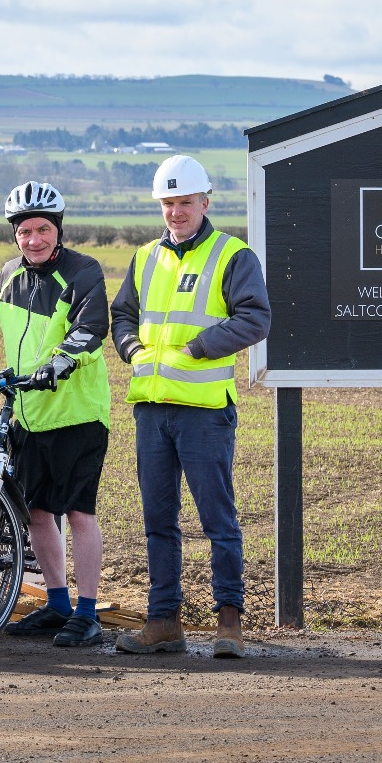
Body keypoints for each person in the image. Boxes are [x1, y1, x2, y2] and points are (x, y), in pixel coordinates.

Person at [111, 154, 271, 659]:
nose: (176, 212)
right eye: (168, 204)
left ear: (205, 202)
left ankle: (230, 622)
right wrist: (131, 349)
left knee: (217, 520)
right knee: (158, 521)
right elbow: (122, 316)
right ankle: (164, 622)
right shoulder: (144, 258)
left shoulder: (232, 255)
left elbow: (255, 318)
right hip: (153, 410)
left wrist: (201, 347)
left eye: (184, 202)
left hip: (204, 411)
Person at [0, 181, 113, 649]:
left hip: (77, 413)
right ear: (15, 235)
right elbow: (17, 344)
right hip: (30, 414)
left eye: (43, 229)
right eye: (25, 231)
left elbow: (90, 329)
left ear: (58, 230)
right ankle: (58, 603)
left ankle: (87, 613)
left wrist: (57, 366)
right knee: (38, 514)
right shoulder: (6, 276)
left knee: (79, 513)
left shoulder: (83, 272)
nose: (34, 240)